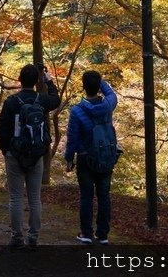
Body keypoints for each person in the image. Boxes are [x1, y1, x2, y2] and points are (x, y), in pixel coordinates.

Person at [0, 63, 59, 249]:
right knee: (34, 198)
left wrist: (6, 151)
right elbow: (56, 100)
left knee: (15, 198)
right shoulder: (42, 100)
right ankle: (33, 237)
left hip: (15, 154)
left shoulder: (11, 102)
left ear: (19, 80)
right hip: (37, 154)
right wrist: (48, 79)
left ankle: (17, 238)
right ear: (36, 81)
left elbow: (3, 129)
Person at [64, 70, 117, 245]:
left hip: (86, 158)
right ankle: (103, 235)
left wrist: (69, 158)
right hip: (106, 156)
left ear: (83, 87)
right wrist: (100, 80)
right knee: (104, 196)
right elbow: (110, 93)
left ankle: (86, 233)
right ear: (98, 86)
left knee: (86, 196)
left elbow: (72, 138)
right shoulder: (108, 105)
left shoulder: (78, 110)